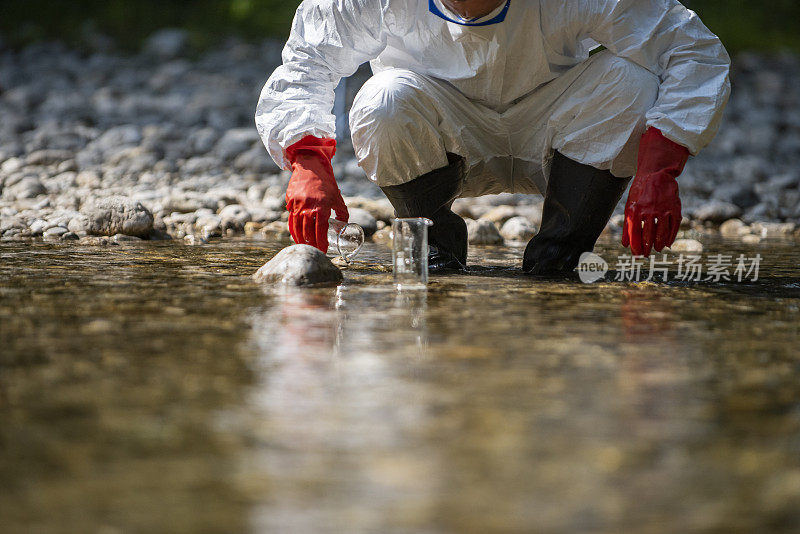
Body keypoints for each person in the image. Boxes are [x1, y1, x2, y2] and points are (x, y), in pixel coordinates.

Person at [256, 0, 730, 273]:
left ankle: (559, 255)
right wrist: (307, 163)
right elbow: (306, 63)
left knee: (633, 82)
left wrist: (659, 168)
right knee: (382, 98)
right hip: (442, 128)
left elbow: (693, 50)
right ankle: (433, 250)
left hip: (556, 126)